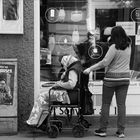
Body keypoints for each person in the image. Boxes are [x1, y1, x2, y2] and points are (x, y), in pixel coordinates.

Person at [83, 26, 131, 138]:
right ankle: (121, 131)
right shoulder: (129, 46)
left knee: (105, 104)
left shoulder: (114, 47)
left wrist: (90, 69)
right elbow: (127, 39)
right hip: (125, 79)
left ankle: (103, 130)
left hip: (111, 80)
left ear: (113, 36)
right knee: (121, 105)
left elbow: (105, 62)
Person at [26, 54, 83, 128]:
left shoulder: (73, 70)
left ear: (66, 62)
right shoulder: (76, 66)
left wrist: (59, 84)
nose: (63, 66)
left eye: (63, 64)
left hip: (68, 96)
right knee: (45, 96)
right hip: (70, 95)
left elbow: (71, 84)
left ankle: (35, 121)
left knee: (42, 96)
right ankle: (41, 121)